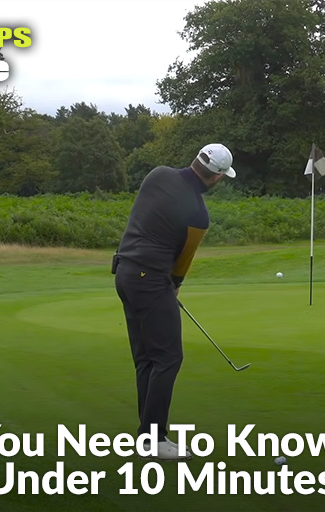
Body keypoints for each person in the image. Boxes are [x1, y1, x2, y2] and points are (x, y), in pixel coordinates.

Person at [113, 143, 237, 460]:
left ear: (196, 159)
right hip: (151, 279)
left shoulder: (158, 174)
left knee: (146, 358)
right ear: (217, 177)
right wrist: (174, 287)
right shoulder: (198, 213)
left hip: (124, 271)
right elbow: (183, 261)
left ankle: (146, 437)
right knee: (168, 357)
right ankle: (155, 439)